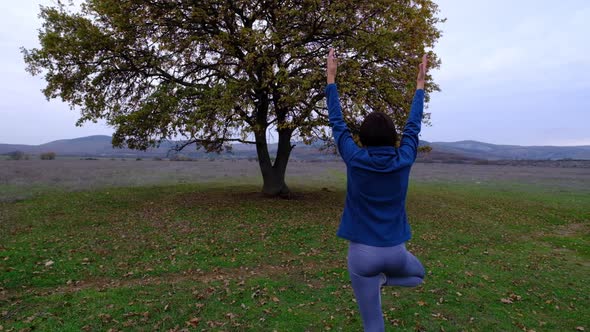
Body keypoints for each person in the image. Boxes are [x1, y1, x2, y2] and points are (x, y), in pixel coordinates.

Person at [325, 48, 428, 332]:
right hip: (395, 252)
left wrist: (331, 79)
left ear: (363, 139)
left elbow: (337, 123)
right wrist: (420, 85)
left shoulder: (355, 158)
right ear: (393, 137)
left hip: (361, 256)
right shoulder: (404, 158)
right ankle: (384, 279)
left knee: (373, 324)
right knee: (419, 276)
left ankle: (377, 280)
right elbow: (413, 127)